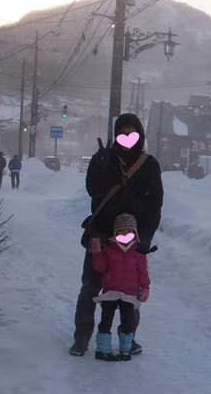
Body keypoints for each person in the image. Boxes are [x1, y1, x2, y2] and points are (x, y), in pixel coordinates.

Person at [69, 113, 163, 357]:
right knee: (90, 287)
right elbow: (93, 190)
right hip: (100, 233)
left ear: (140, 135)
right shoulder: (104, 159)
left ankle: (127, 339)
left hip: (132, 241)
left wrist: (146, 236)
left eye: (132, 133)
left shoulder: (149, 164)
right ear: (116, 134)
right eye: (123, 132)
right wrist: (99, 167)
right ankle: (81, 339)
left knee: (130, 293)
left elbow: (155, 205)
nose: (127, 138)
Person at [90, 213, 150, 361]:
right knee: (106, 320)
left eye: (128, 232)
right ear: (116, 233)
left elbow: (142, 272)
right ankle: (103, 350)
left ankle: (126, 349)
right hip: (111, 293)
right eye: (121, 232)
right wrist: (97, 253)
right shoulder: (109, 250)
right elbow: (100, 267)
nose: (125, 235)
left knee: (127, 322)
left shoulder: (138, 254)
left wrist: (145, 287)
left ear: (134, 233)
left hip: (128, 294)